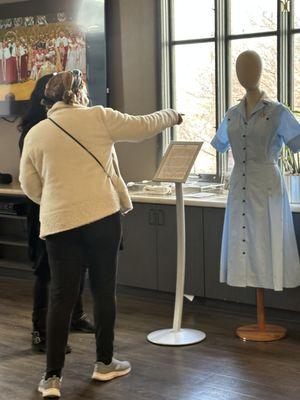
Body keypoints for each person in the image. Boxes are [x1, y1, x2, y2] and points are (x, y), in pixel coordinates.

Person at [19, 69, 182, 398]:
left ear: (48, 100)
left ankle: (51, 378)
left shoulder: (37, 134)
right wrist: (172, 115)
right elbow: (144, 125)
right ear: (78, 94)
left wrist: (57, 202)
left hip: (59, 225)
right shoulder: (99, 117)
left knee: (61, 297)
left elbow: (29, 186)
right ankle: (104, 364)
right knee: (104, 291)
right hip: (102, 220)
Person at [18, 73, 94, 355]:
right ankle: (40, 332)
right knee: (46, 271)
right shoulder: (35, 131)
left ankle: (75, 317)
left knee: (78, 265)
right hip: (43, 210)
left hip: (72, 208)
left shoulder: (69, 125)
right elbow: (33, 179)